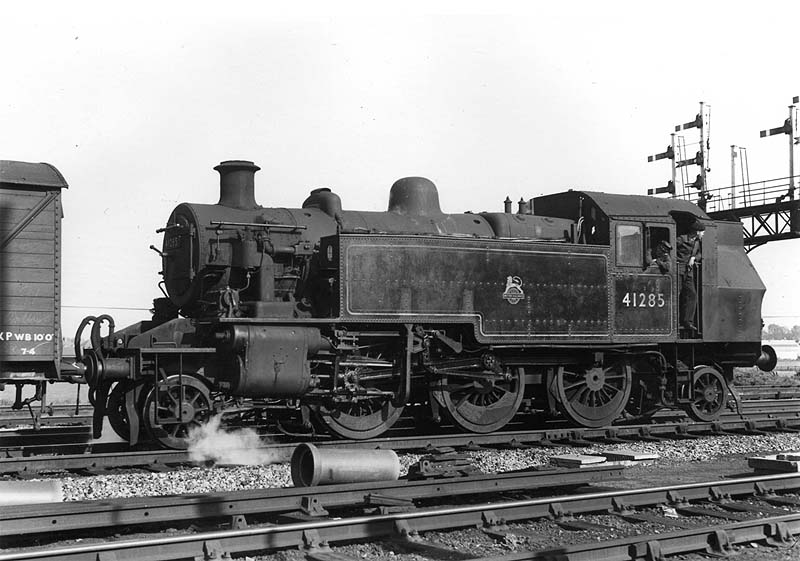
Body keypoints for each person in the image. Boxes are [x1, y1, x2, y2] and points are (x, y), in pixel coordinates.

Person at [677, 218, 705, 331]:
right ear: (697, 231)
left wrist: (693, 258)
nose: (703, 234)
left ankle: (687, 321)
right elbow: (669, 248)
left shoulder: (697, 243)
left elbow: (699, 254)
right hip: (678, 269)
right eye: (702, 232)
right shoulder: (681, 239)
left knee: (692, 294)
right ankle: (676, 320)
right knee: (677, 294)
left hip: (688, 272)